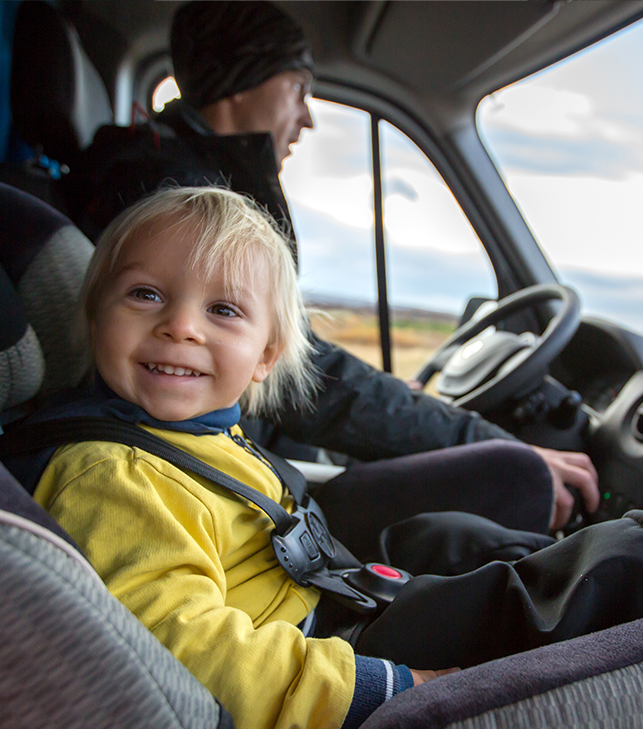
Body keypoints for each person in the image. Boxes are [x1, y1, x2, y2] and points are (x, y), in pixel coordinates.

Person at [30, 185, 643, 729]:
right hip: (317, 685)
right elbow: (179, 660)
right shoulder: (110, 473)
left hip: (313, 607)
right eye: (145, 295)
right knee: (500, 600)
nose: (180, 325)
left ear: (266, 357)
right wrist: (386, 689)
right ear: (94, 313)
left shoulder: (188, 435)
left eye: (223, 310)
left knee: (448, 540)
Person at [63, 0, 600, 563]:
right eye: (298, 88)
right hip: (237, 482)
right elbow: (311, 378)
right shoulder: (177, 197)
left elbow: (303, 370)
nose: (308, 116)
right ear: (243, 81)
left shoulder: (173, 169)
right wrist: (491, 443)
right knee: (515, 480)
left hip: (255, 459)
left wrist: (418, 412)